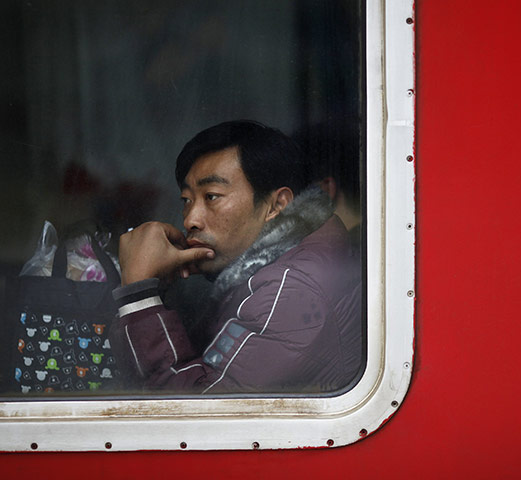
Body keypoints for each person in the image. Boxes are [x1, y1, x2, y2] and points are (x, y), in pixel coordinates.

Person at [112, 120, 362, 393]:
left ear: (276, 205)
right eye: (186, 200)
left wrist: (140, 294)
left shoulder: (290, 289)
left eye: (212, 196)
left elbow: (200, 410)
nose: (191, 220)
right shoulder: (277, 265)